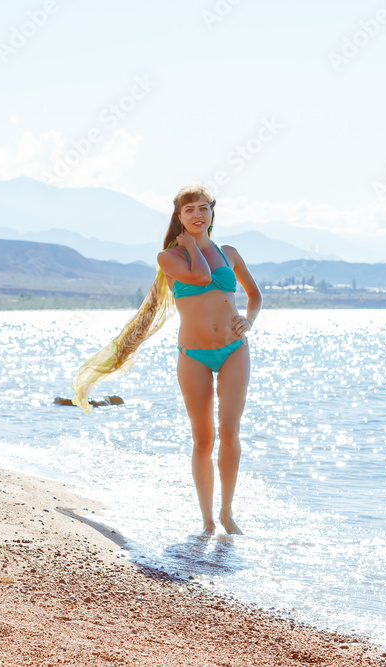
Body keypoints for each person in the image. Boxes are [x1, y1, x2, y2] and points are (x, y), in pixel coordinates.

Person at [72, 184, 262, 535]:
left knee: (230, 432)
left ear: (211, 213)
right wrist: (189, 245)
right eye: (189, 210)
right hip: (194, 356)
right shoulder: (169, 258)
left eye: (203, 208)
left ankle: (226, 513)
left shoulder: (230, 253)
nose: (197, 214)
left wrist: (248, 320)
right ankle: (206, 520)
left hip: (234, 349)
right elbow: (203, 276)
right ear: (179, 217)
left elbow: (255, 295)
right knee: (203, 438)